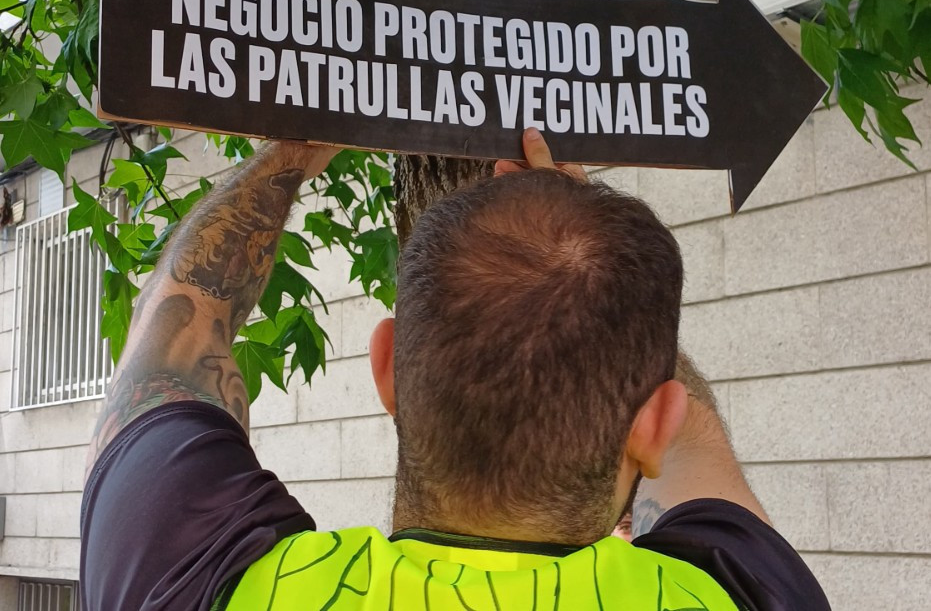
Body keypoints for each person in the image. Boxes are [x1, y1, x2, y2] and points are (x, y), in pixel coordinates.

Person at [80, 129, 830, 610]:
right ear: (656, 423)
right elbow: (697, 456)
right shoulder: (741, 596)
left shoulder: (199, 584)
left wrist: (291, 150)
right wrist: (591, 265)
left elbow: (165, 352)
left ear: (388, 370)